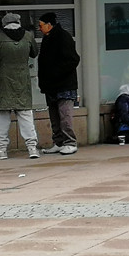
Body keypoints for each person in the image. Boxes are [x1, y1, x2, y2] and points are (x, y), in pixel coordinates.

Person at [0, 12, 40, 160]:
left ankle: (2, 150)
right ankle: (32, 148)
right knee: (25, 114)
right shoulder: (28, 36)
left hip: (3, 82)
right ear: (19, 22)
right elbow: (34, 53)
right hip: (22, 80)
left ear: (4, 24)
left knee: (1, 115)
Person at [37, 12, 81, 155]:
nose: (39, 28)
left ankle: (70, 142)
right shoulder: (47, 38)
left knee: (65, 115)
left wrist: (56, 73)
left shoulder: (63, 37)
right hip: (50, 86)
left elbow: (73, 60)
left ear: (49, 25)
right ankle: (59, 142)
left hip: (64, 84)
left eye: (41, 25)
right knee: (54, 117)